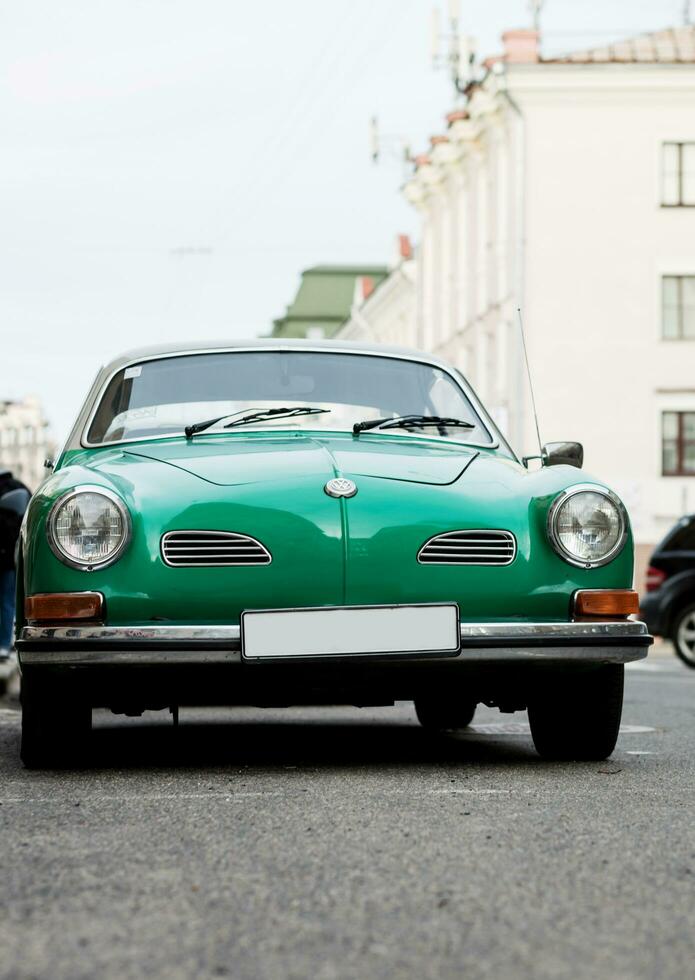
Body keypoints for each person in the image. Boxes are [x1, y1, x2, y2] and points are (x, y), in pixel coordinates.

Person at [0, 469, 30, 660]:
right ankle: (5, 643)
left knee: (6, 601)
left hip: (5, 556)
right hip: (13, 555)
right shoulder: (20, 488)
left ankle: (4, 643)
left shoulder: (7, 490)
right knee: (8, 600)